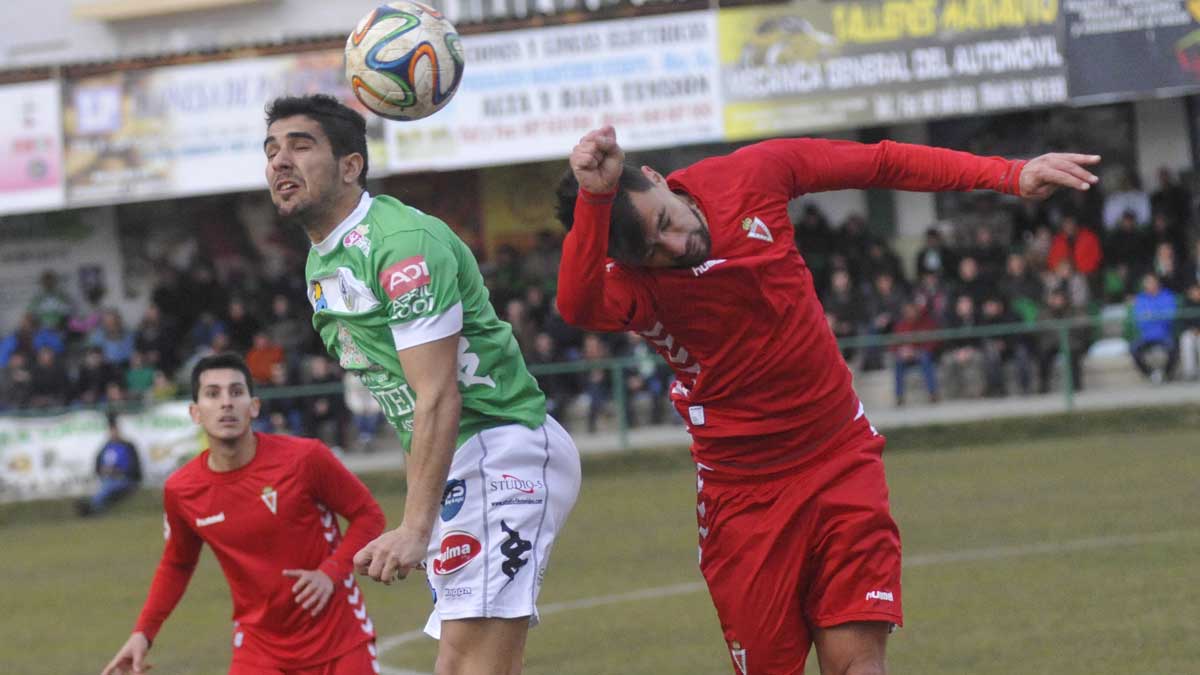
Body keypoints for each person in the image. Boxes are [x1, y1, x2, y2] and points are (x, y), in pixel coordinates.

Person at [555, 124, 1099, 674]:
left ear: (655, 178)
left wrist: (1008, 173)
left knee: (857, 664)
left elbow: (881, 162)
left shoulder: (751, 174)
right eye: (654, 252)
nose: (676, 247)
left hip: (840, 456)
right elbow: (576, 306)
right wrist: (594, 197)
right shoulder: (624, 284)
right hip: (743, 496)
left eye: (665, 223)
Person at [263, 94, 581, 675]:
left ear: (351, 165)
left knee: (465, 664)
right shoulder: (321, 264)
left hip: (499, 448)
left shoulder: (402, 245)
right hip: (462, 463)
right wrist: (424, 511)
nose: (280, 161)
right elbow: (408, 408)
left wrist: (415, 527)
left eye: (300, 146)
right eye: (271, 150)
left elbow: (437, 395)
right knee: (473, 664)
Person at [101, 353, 386, 675]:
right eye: (213, 394)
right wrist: (143, 633)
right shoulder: (182, 490)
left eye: (236, 392)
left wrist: (331, 572)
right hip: (259, 648)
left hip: (338, 640)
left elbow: (369, 516)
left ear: (254, 407)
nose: (226, 403)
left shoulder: (305, 459)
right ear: (195, 412)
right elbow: (177, 562)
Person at [77, 412, 142, 517]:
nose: (113, 433)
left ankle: (90, 507)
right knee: (106, 486)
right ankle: (93, 508)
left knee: (107, 487)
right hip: (108, 479)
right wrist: (103, 470)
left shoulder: (128, 446)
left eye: (115, 430)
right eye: (111, 430)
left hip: (125, 479)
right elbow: (97, 466)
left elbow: (134, 467)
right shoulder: (105, 447)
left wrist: (118, 471)